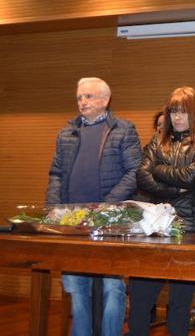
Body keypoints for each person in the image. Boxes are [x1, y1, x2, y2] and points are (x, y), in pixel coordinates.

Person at [46, 77, 142, 336]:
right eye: (79, 97)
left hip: (110, 221)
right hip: (73, 223)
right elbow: (56, 173)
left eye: (88, 96)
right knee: (77, 289)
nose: (82, 102)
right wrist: (54, 208)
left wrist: (107, 206)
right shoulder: (66, 132)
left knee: (113, 289)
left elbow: (135, 172)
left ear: (105, 100)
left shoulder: (124, 129)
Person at [128, 86, 195, 336]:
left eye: (183, 112)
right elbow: (141, 177)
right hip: (154, 230)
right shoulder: (158, 140)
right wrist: (175, 189)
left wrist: (158, 170)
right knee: (140, 299)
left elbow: (191, 176)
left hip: (189, 230)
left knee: (179, 306)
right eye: (173, 112)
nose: (177, 117)